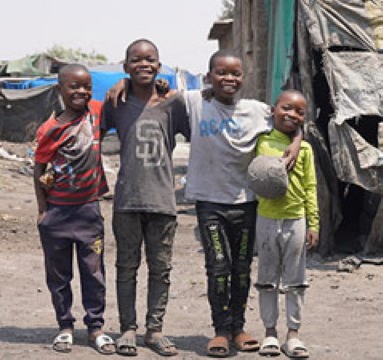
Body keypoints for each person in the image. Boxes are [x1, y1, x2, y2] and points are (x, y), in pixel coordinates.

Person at [107, 49, 301, 358]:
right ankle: (220, 330)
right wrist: (122, 83)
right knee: (217, 268)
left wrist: (297, 141)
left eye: (235, 73)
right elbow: (150, 89)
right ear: (208, 77)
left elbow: (290, 116)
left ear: (243, 78)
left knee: (241, 269)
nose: (229, 78)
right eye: (221, 73)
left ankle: (238, 328)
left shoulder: (257, 110)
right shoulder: (195, 101)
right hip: (209, 204)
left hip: (246, 202)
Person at [101, 38, 190, 357]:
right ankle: (128, 329)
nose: (143, 65)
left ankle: (155, 331)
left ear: (159, 64)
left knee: (161, 268)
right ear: (125, 68)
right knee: (126, 266)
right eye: (135, 61)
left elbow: (198, 136)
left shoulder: (174, 103)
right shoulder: (116, 102)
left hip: (163, 201)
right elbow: (90, 137)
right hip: (126, 200)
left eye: (150, 59)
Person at [33, 63, 115, 355]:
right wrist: (43, 210)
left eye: (87, 86)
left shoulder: (97, 112)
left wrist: (123, 86)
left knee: (94, 273)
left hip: (88, 211)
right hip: (57, 213)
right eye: (74, 86)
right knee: (58, 275)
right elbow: (39, 168)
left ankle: (96, 328)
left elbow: (122, 100)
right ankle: (65, 326)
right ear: (60, 89)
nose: (81, 91)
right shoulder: (50, 129)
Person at [254, 90, 318, 359]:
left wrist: (313, 222)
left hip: (296, 219)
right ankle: (270, 332)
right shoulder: (260, 141)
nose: (291, 114)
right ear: (273, 109)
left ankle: (293, 334)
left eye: (299, 112)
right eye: (286, 108)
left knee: (295, 279)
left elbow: (310, 186)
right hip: (266, 218)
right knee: (267, 278)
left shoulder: (304, 149)